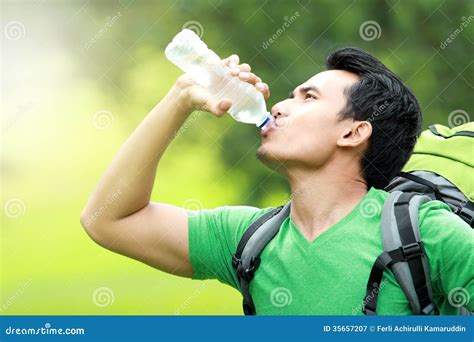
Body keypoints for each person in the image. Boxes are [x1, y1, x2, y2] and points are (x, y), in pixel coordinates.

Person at [80, 47, 473, 315]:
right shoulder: (250, 240)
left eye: (309, 98)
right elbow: (107, 219)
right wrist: (180, 98)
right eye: (290, 95)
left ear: (353, 133)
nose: (281, 105)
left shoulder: (423, 233)